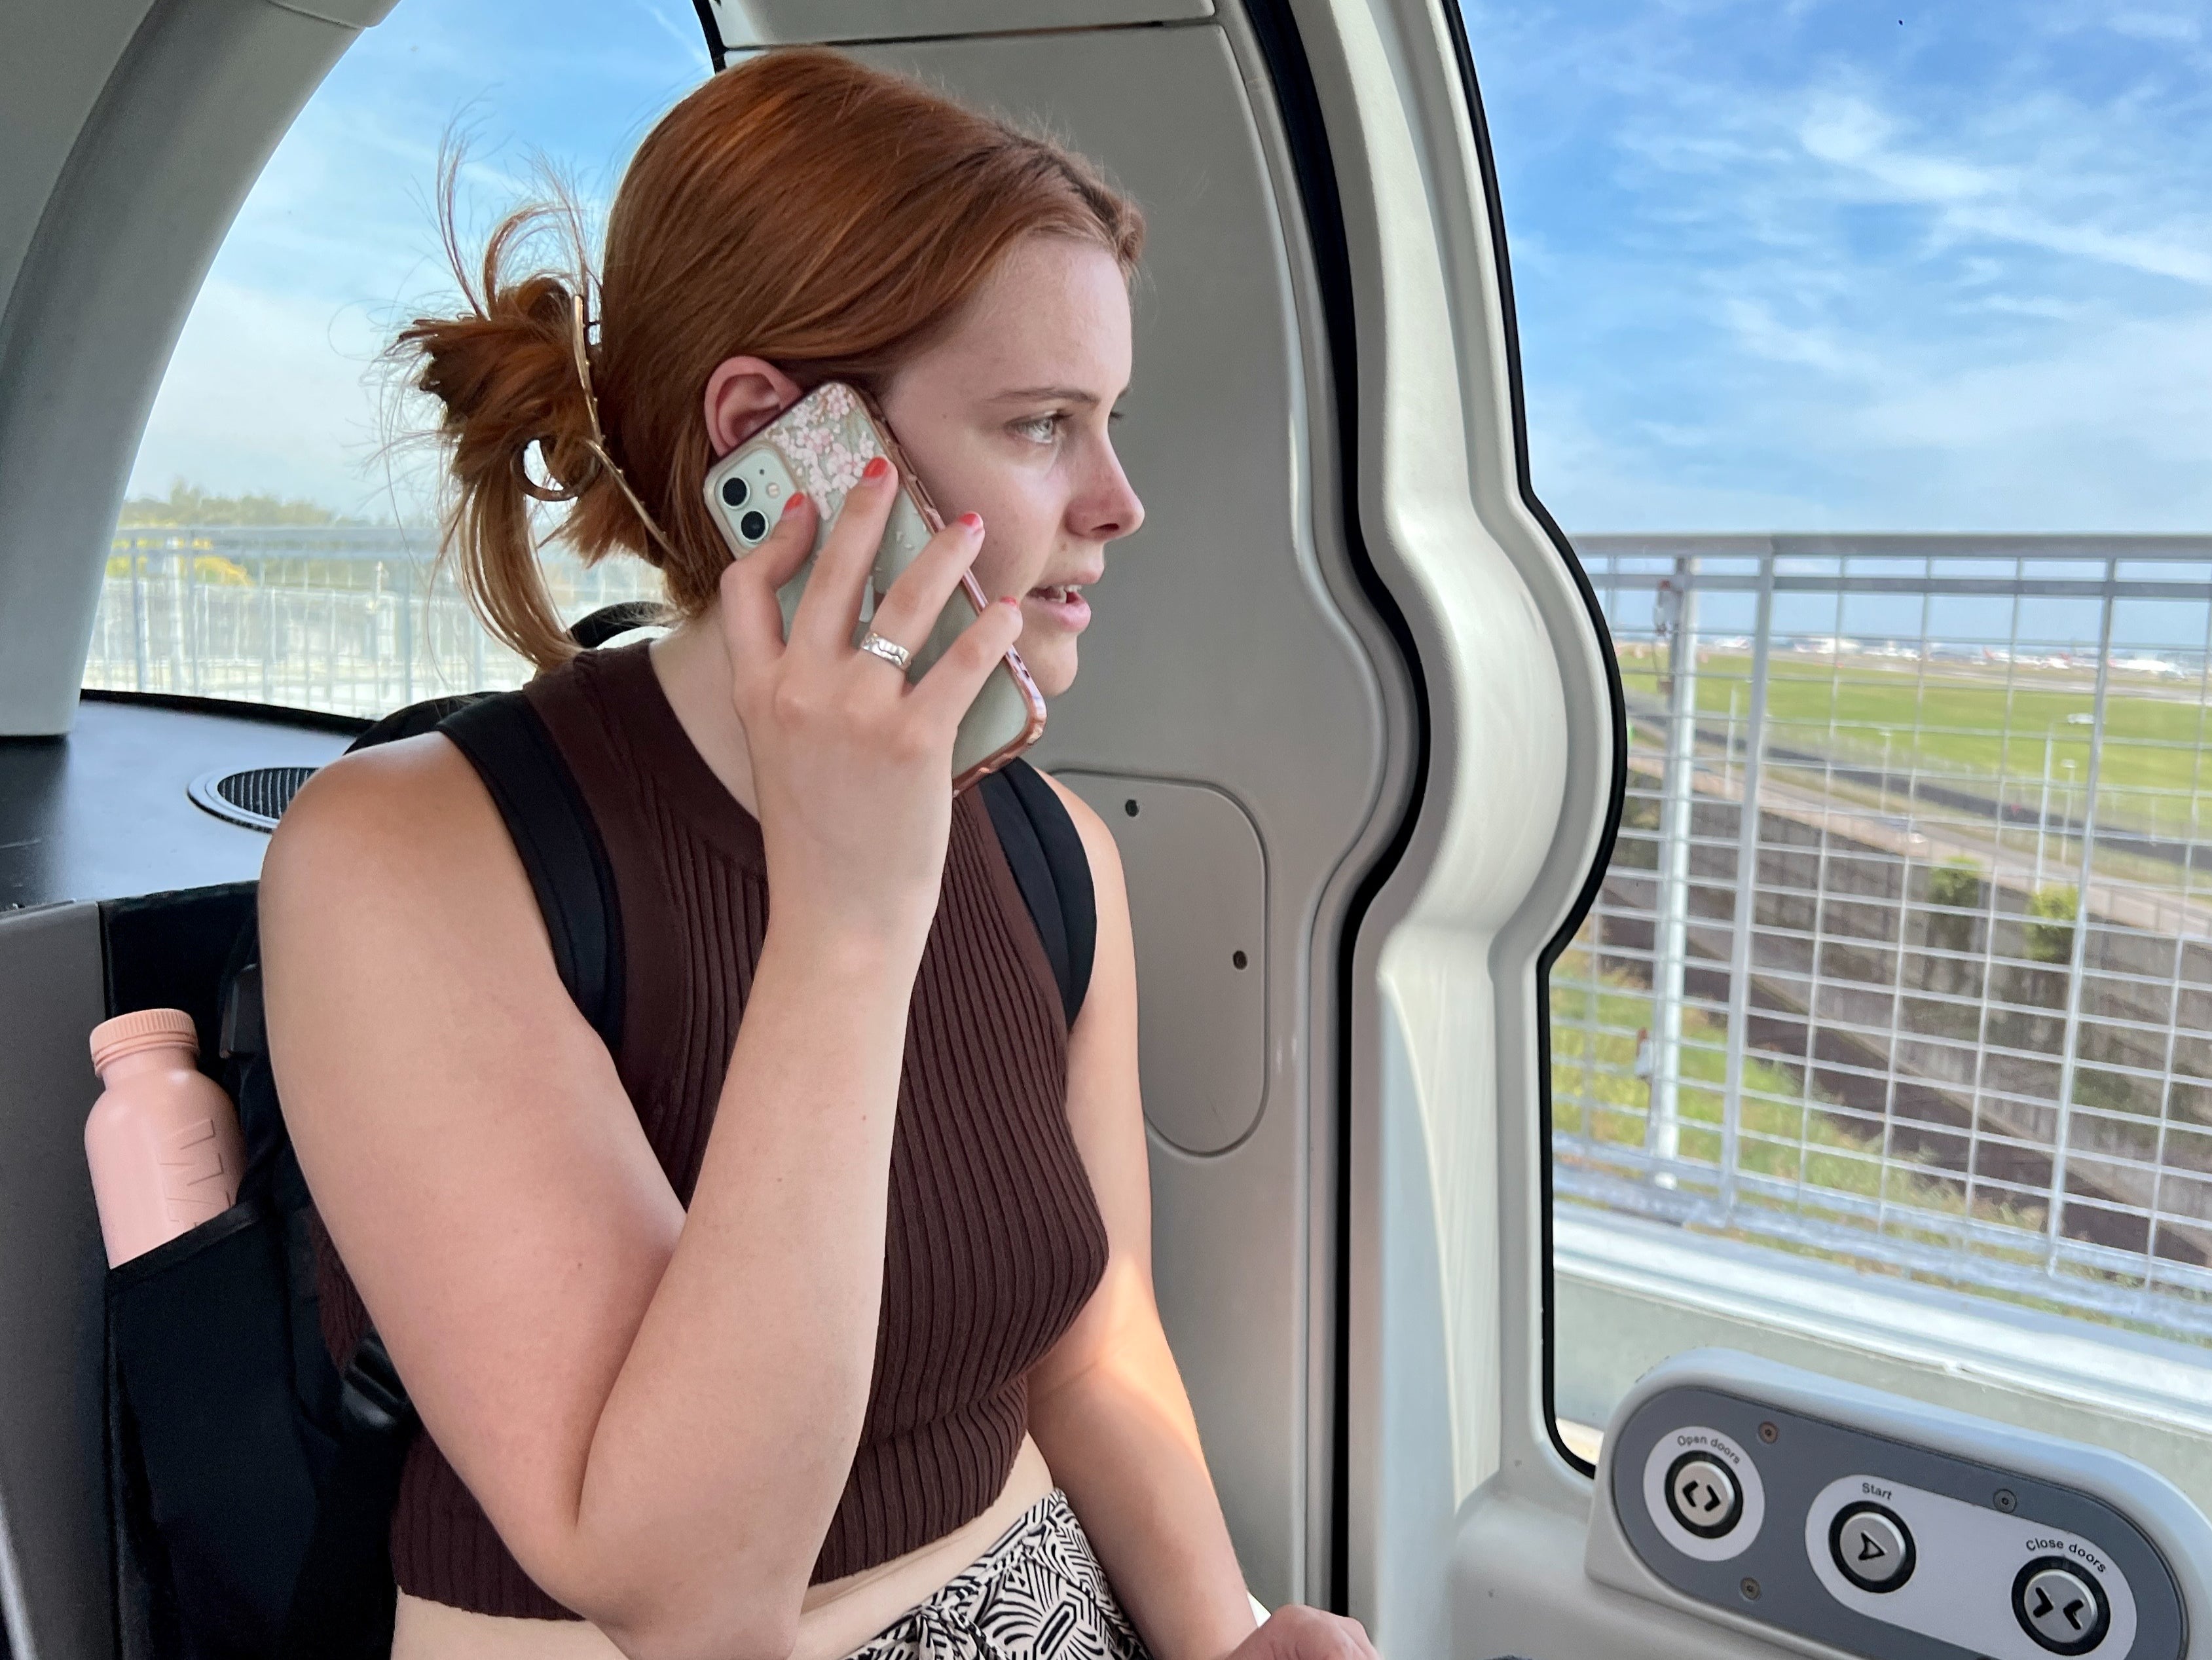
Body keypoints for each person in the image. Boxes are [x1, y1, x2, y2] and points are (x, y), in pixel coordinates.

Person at [261, 46, 1378, 1660]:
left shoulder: (1054, 853)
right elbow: (684, 1589)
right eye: (1043, 423)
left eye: (1108, 422)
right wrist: (848, 921)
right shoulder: (410, 856)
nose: (1122, 500)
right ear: (783, 444)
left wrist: (1231, 1636)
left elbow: (1088, 1328)